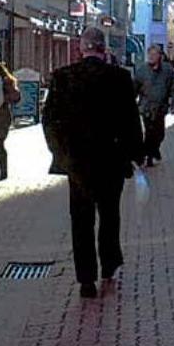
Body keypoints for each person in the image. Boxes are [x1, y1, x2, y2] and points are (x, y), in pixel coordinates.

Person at [43, 27, 144, 299]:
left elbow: (50, 120)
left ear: (81, 48)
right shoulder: (120, 78)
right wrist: (134, 153)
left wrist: (61, 154)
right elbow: (130, 120)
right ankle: (109, 265)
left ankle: (86, 279)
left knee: (81, 219)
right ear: (103, 49)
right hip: (111, 159)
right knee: (110, 215)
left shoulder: (63, 77)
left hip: (77, 163)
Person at [133, 44, 174, 167]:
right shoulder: (142, 71)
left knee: (159, 133)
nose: (151, 57)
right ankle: (147, 156)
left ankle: (153, 149)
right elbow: (134, 88)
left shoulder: (168, 71)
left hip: (161, 107)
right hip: (146, 107)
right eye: (150, 54)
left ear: (160, 56)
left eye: (154, 54)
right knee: (149, 131)